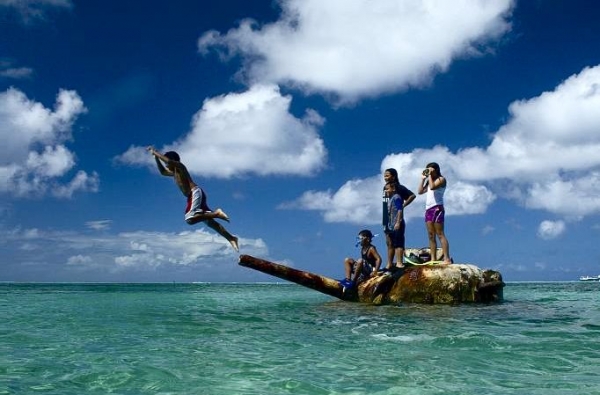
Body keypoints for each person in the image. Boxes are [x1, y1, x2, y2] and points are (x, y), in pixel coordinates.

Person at [147, 146, 239, 252]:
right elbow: (162, 172)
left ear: (173, 161)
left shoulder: (181, 167)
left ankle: (217, 213)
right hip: (193, 196)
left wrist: (155, 152)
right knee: (210, 223)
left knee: (190, 218)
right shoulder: (174, 173)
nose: (167, 166)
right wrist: (156, 158)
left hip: (195, 193)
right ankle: (231, 238)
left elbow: (168, 161)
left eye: (168, 164)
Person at [417, 162, 451, 264]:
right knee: (431, 235)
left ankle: (446, 258)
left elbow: (432, 187)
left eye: (430, 170)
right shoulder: (429, 180)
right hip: (428, 209)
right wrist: (423, 179)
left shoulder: (441, 179)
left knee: (440, 234)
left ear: (436, 170)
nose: (429, 172)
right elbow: (420, 191)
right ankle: (433, 258)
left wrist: (431, 175)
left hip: (437, 208)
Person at [382, 168, 415, 270]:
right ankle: (389, 263)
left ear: (393, 176)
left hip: (397, 220)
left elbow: (412, 195)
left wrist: (403, 205)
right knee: (389, 242)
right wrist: (384, 222)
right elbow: (385, 205)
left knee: (398, 241)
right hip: (388, 220)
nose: (385, 177)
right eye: (384, 175)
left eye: (387, 175)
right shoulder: (385, 188)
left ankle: (399, 262)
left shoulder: (398, 189)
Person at [384, 182, 405, 269]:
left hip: (397, 224)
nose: (386, 191)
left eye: (387, 189)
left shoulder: (396, 197)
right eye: (385, 189)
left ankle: (399, 262)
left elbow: (400, 209)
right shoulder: (389, 199)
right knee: (391, 244)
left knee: (398, 243)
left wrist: (398, 222)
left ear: (393, 189)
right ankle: (390, 263)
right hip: (391, 225)